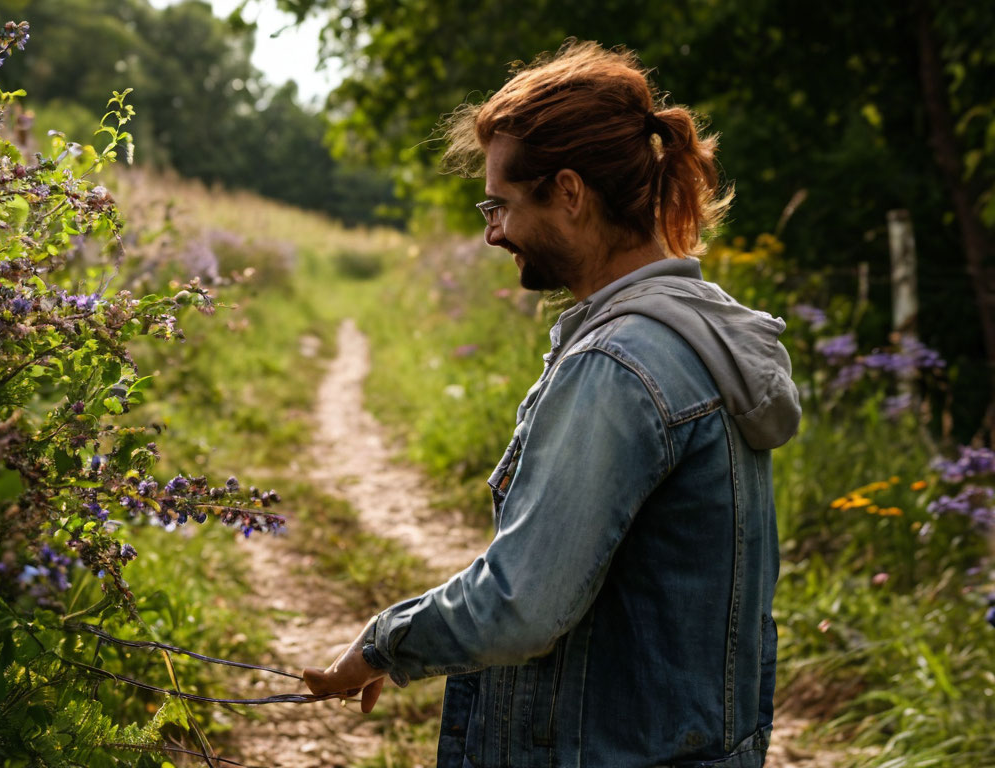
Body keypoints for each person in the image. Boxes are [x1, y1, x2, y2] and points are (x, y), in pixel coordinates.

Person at [302, 41, 801, 768]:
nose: (492, 231)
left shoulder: (621, 364)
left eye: (501, 204)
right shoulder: (703, 337)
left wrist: (384, 643)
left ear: (569, 191)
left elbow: (522, 606)